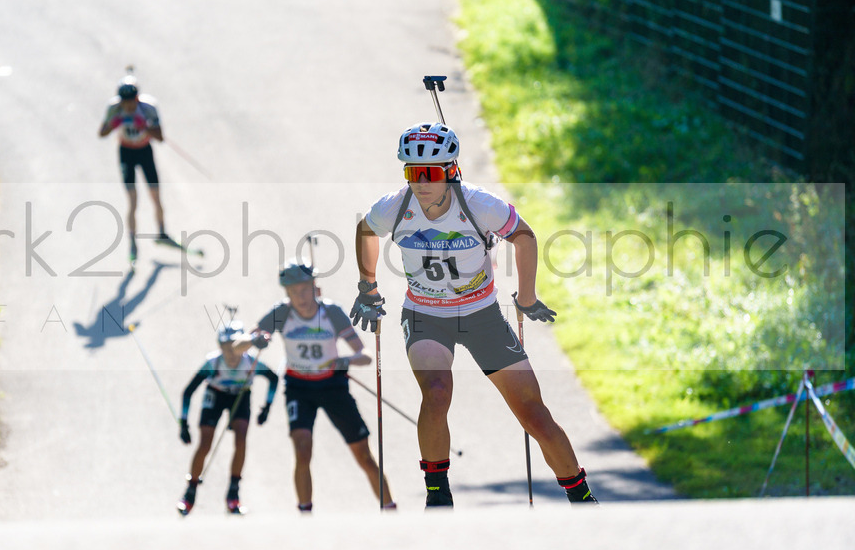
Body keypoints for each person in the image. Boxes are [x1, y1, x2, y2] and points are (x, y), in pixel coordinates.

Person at [352, 121, 598, 508]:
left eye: (430, 173)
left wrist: (528, 297)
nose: (421, 182)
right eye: (412, 172)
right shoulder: (395, 206)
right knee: (436, 393)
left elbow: (524, 235)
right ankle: (437, 492)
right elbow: (366, 231)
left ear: (451, 171)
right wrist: (368, 287)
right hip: (425, 315)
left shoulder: (479, 205)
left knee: (533, 414)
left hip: (482, 316)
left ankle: (581, 496)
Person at [249, 261, 395, 513]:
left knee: (363, 455)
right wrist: (256, 338)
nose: (300, 297)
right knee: (302, 449)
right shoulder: (281, 313)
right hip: (298, 388)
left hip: (332, 386)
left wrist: (344, 361)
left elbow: (365, 355)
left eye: (304, 289)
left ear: (316, 288)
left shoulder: (332, 313)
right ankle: (305, 513)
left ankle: (390, 509)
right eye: (293, 292)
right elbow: (247, 339)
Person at [177, 320, 279, 515]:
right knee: (205, 442)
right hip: (215, 395)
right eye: (225, 347)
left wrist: (267, 407)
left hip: (240, 396)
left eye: (233, 347)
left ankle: (233, 493)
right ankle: (190, 492)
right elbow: (188, 392)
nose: (230, 353)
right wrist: (184, 423)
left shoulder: (251, 362)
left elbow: (273, 379)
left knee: (241, 440)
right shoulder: (213, 362)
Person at [98, 74, 176, 263]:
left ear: (137, 98)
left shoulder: (148, 107)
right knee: (133, 200)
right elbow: (102, 133)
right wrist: (113, 123)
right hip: (127, 153)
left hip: (144, 151)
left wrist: (145, 127)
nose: (128, 107)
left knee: (155, 195)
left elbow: (160, 137)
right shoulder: (114, 108)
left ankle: (162, 232)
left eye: (131, 102)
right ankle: (133, 241)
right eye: (125, 103)